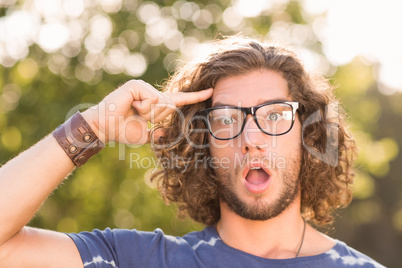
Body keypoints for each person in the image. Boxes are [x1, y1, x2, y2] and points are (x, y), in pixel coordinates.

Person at [0, 36, 384, 267]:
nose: (251, 137)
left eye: (274, 114)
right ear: (204, 143)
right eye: (226, 120)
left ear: (307, 134)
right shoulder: (139, 260)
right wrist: (94, 127)